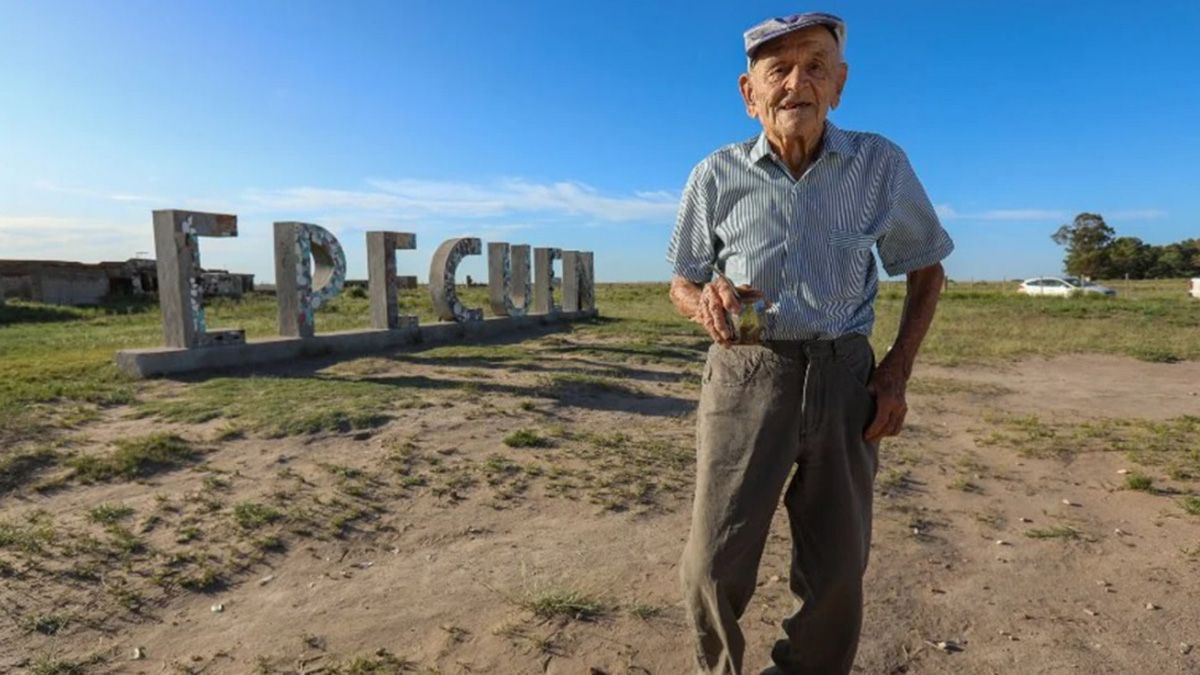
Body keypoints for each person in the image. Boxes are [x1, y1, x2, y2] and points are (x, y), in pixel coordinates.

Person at [667, 12, 953, 675]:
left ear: (840, 84)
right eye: (780, 70)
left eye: (817, 66)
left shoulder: (879, 165)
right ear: (748, 91)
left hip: (844, 372)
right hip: (746, 372)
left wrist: (895, 372)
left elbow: (925, 267)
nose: (799, 82)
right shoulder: (715, 175)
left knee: (837, 568)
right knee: (712, 560)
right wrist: (701, 299)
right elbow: (681, 282)